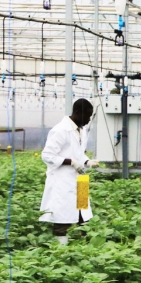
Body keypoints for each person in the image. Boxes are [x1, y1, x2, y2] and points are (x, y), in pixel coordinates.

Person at [40, 98, 98, 245]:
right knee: (62, 217)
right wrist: (70, 162)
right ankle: (61, 250)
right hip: (62, 181)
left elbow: (78, 153)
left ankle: (85, 248)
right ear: (77, 113)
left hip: (80, 179)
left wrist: (86, 161)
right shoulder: (60, 130)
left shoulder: (81, 130)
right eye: (87, 116)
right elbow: (47, 155)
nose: (88, 120)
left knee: (85, 215)